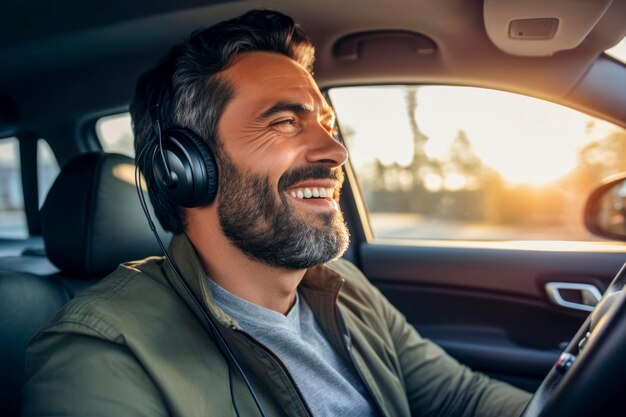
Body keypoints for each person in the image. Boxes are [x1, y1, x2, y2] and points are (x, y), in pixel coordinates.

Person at [22, 10, 531, 417]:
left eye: (326, 123)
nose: (335, 151)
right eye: (286, 121)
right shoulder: (103, 353)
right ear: (187, 168)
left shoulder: (344, 288)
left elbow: (462, 399)